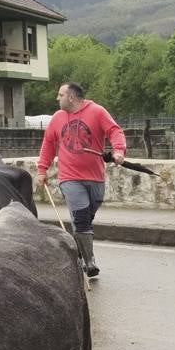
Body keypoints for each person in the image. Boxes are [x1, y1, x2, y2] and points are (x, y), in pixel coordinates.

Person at [36, 82, 126, 278]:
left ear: (71, 97)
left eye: (60, 95)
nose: (56, 99)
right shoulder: (57, 118)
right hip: (70, 178)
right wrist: (42, 169)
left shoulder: (97, 111)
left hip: (95, 178)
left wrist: (119, 151)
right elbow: (49, 143)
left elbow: (115, 131)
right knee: (82, 217)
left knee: (85, 219)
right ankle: (89, 261)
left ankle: (78, 250)